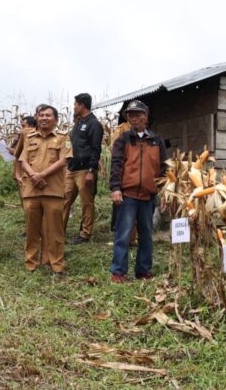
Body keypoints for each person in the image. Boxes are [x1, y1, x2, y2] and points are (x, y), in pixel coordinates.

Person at [109, 100, 167, 283]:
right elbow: (116, 164)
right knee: (123, 234)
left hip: (148, 195)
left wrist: (162, 191)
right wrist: (116, 188)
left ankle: (143, 270)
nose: (133, 118)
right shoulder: (124, 139)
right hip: (128, 195)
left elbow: (163, 169)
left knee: (146, 235)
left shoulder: (157, 141)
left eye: (137, 114)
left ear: (145, 116)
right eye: (130, 115)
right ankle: (118, 272)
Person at [19, 104, 72, 276]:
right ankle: (31, 264)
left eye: (48, 115)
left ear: (55, 119)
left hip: (53, 192)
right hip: (31, 191)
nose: (43, 118)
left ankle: (56, 265)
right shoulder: (30, 137)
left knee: (54, 232)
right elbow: (23, 160)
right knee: (31, 230)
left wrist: (41, 175)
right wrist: (34, 175)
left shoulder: (63, 137)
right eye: (41, 115)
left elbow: (64, 160)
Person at [63, 93, 104, 244]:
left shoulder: (94, 124)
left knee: (86, 202)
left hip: (85, 169)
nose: (73, 107)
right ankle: (59, 230)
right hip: (71, 168)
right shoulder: (78, 123)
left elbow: (96, 149)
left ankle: (85, 234)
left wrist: (91, 171)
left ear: (82, 105)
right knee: (65, 200)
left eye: (75, 104)